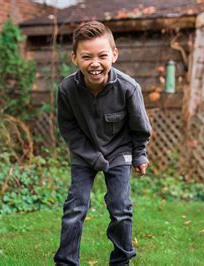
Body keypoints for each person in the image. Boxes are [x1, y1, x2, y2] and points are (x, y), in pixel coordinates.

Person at [53, 21, 151, 265]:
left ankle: (121, 261)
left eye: (102, 55)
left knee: (120, 209)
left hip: (119, 151)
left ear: (114, 55)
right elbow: (69, 129)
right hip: (84, 153)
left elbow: (139, 127)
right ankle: (66, 261)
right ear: (74, 58)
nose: (94, 63)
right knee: (75, 208)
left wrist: (139, 155)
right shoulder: (66, 89)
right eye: (86, 56)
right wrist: (92, 157)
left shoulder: (129, 88)